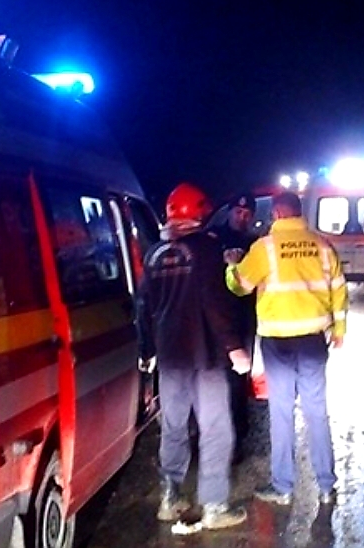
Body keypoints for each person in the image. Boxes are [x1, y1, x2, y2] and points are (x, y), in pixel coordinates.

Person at [135, 182, 250, 530]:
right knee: (216, 429)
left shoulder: (154, 254)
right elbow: (215, 302)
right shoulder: (207, 249)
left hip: (170, 358)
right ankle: (214, 506)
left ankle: (169, 498)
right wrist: (234, 347)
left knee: (173, 427)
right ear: (199, 213)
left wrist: (147, 350)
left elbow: (143, 306)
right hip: (205, 356)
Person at [225, 191, 347, 507]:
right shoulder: (322, 246)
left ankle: (283, 487)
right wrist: (339, 330)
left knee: (281, 413)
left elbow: (240, 286)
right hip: (313, 343)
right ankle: (326, 486)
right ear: (298, 212)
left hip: (278, 344)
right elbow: (339, 289)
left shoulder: (264, 248)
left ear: (277, 214)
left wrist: (231, 267)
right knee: (316, 411)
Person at [207, 192, 258, 463]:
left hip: (243, 319)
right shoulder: (211, 238)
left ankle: (237, 438)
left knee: (239, 381)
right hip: (215, 319)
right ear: (229, 212)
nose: (242, 217)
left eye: (247, 214)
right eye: (238, 212)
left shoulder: (255, 244)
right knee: (213, 379)